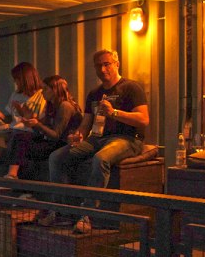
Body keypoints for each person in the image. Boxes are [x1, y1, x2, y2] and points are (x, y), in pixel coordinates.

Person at [40, 49, 149, 233]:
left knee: (100, 158)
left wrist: (115, 113)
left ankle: (87, 214)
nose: (103, 69)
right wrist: (78, 136)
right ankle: (62, 211)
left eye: (107, 64)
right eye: (98, 65)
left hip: (127, 139)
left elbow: (144, 119)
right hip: (98, 138)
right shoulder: (94, 93)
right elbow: (86, 124)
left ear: (117, 64)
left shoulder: (131, 87)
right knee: (56, 157)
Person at [0, 75, 82, 214]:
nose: (42, 91)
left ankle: (13, 183)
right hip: (51, 141)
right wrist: (30, 120)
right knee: (20, 138)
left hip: (62, 144)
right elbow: (41, 125)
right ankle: (13, 179)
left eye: (45, 89)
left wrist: (37, 124)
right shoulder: (51, 106)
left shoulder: (65, 106)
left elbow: (56, 135)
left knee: (23, 146)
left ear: (55, 89)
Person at [0, 62, 46, 196]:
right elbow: (12, 118)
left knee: (16, 138)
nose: (16, 83)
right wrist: (1, 116)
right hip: (12, 129)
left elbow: (37, 120)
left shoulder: (42, 96)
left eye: (17, 79)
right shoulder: (16, 94)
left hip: (28, 132)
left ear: (25, 79)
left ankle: (11, 177)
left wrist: (22, 110)